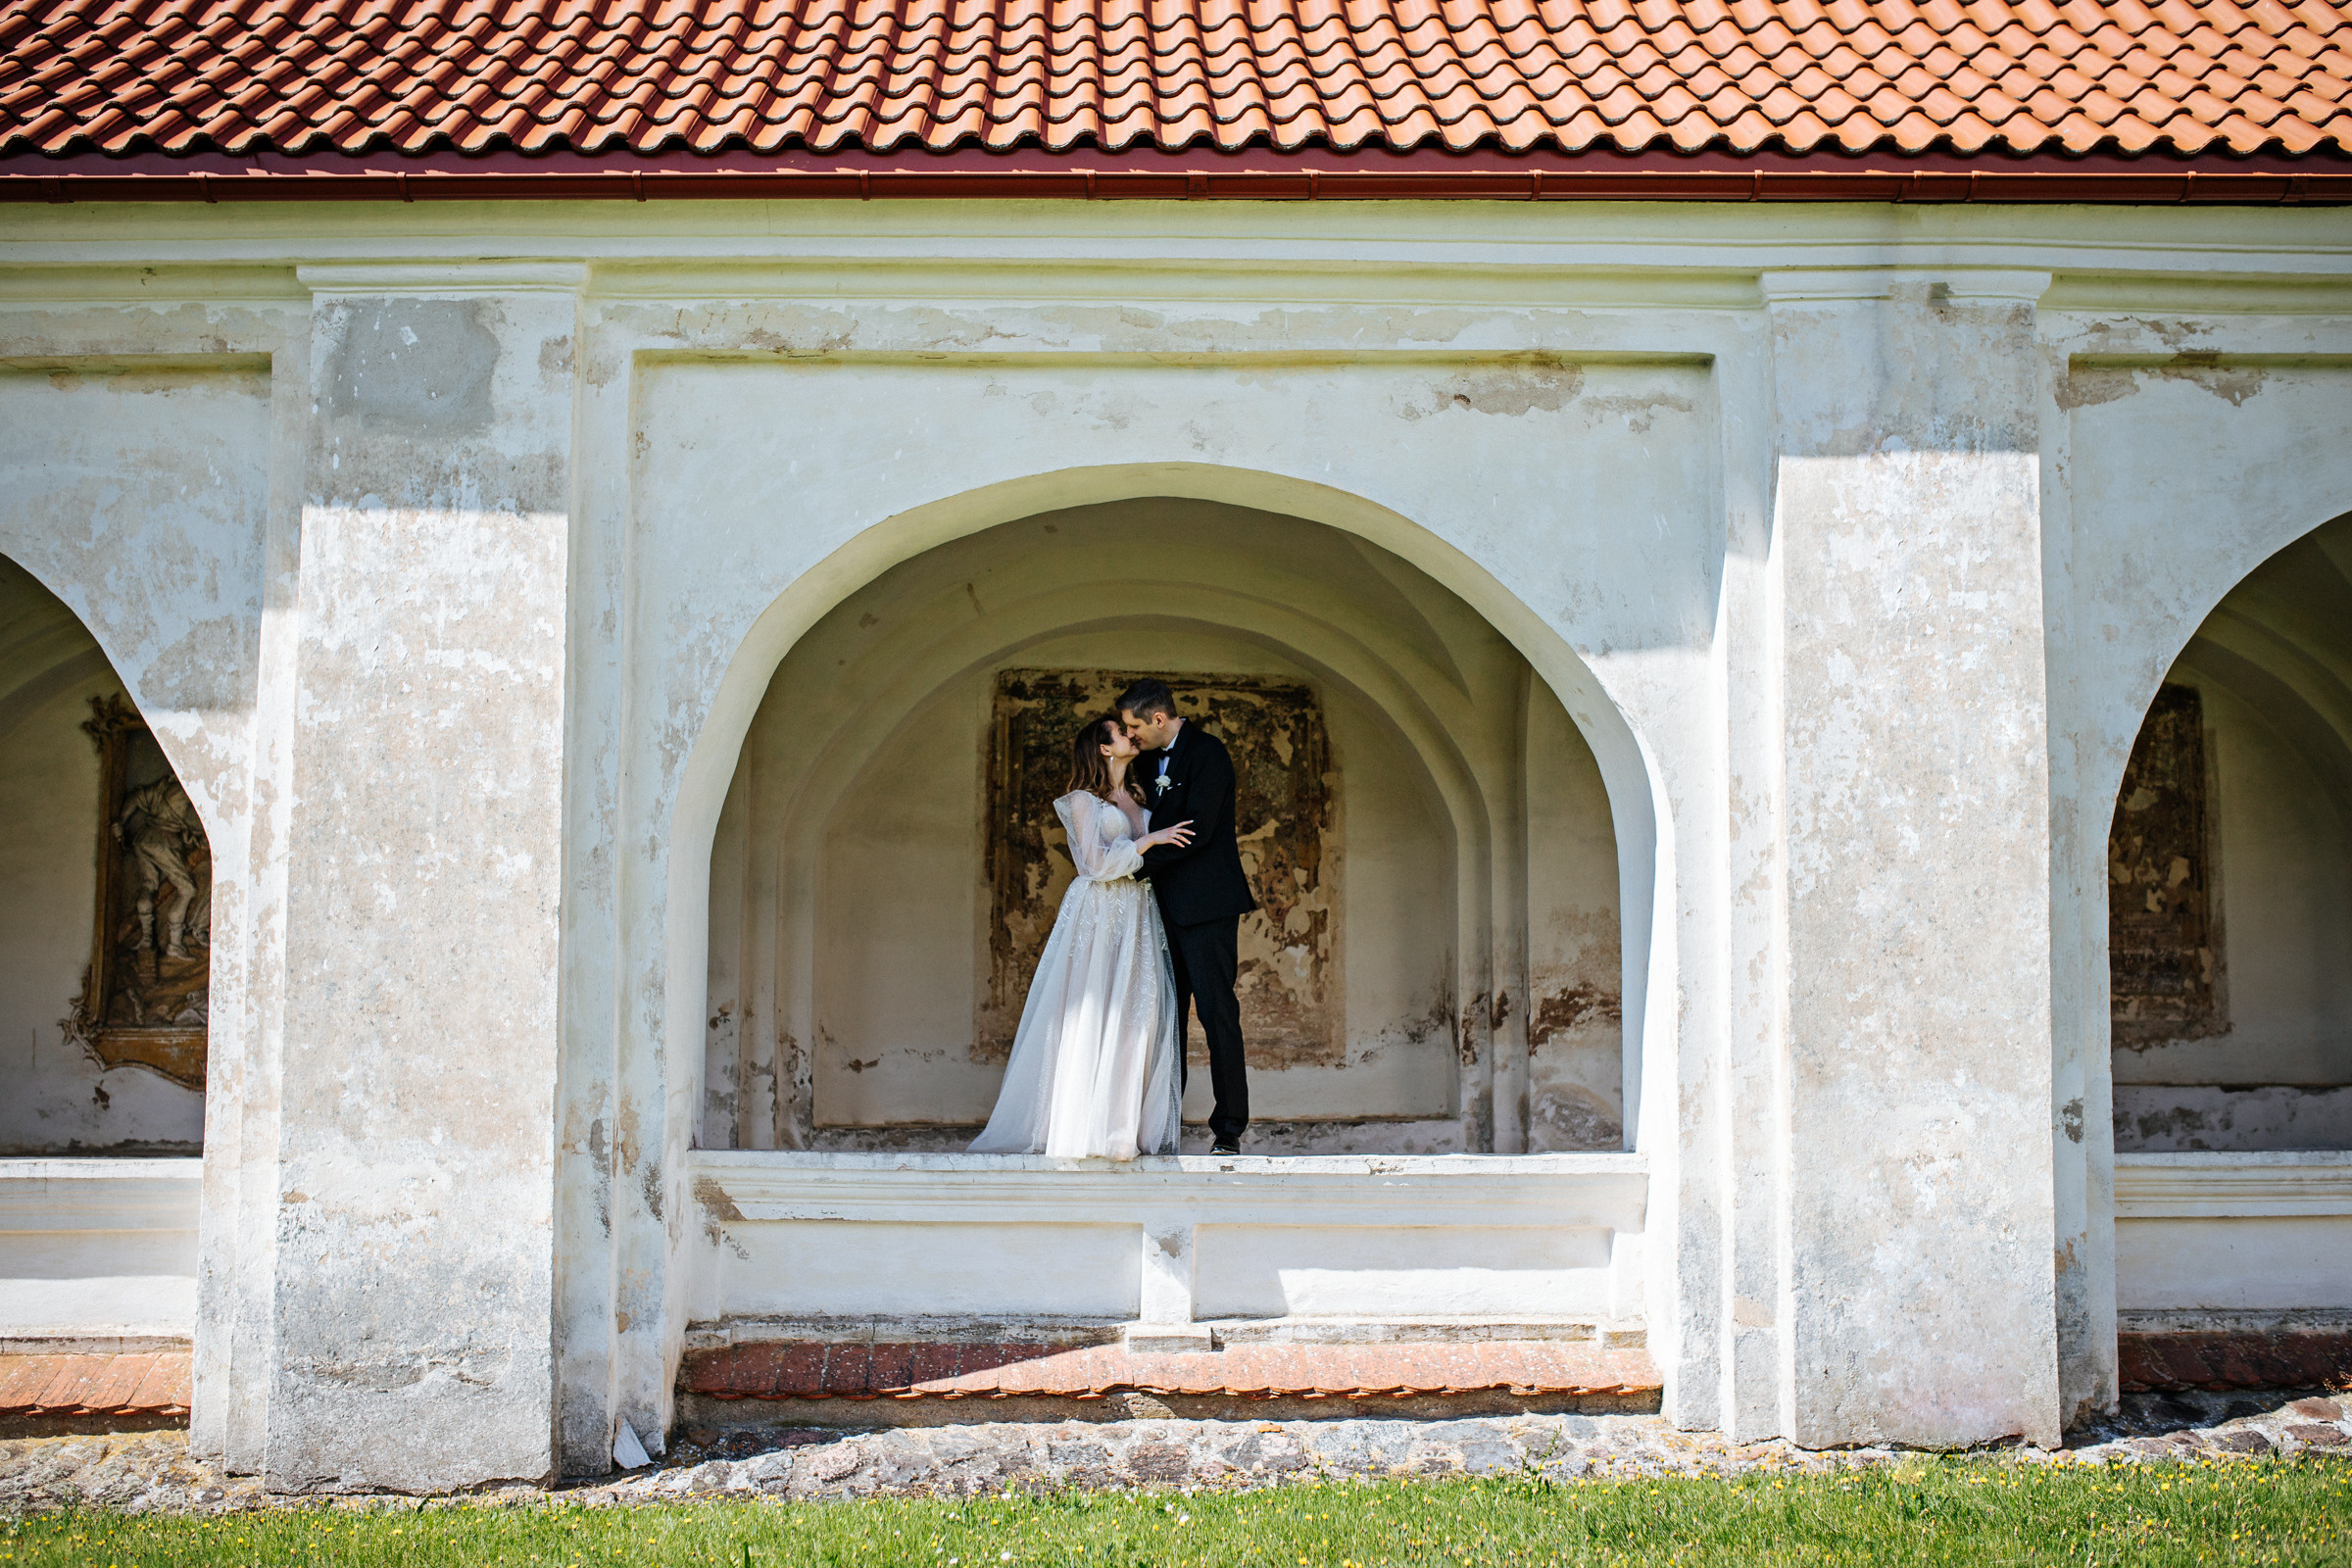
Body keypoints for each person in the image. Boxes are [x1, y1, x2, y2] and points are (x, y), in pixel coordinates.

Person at [969, 715, 1195, 1159]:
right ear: (1104, 749)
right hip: (1099, 909)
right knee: (1092, 1007)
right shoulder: (1082, 801)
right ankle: (1081, 1125)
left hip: (1136, 909)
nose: (1132, 735)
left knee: (1137, 1012)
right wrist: (1150, 842)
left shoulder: (1140, 795)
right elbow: (1093, 864)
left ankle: (1119, 1130)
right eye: (1121, 732)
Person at [1117, 678, 1258, 1155]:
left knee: (1218, 1015)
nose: (1130, 736)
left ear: (1159, 719)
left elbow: (1194, 832)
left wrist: (1132, 865)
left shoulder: (1209, 753)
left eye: (1135, 727)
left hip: (1208, 908)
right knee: (1166, 1022)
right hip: (1162, 909)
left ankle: (1229, 1131)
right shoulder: (1145, 760)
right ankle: (1163, 1127)